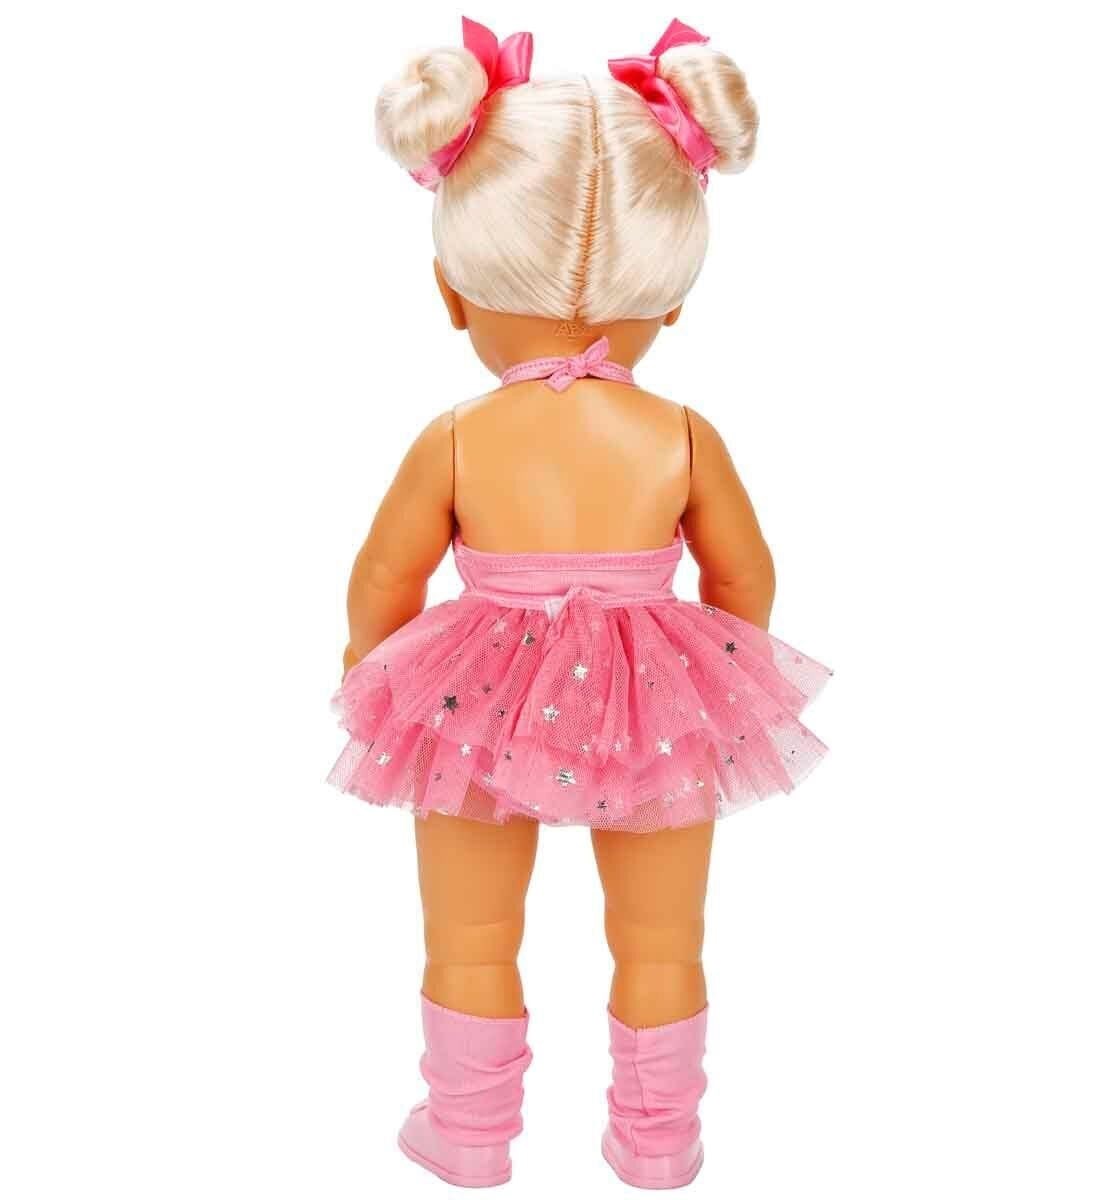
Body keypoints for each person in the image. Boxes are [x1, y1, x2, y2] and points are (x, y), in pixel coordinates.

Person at [329, 17, 830, 1189]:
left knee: (469, 931)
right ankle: (658, 1143)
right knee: (662, 936)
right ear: (673, 299)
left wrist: (372, 671)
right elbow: (744, 575)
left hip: (473, 698)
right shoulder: (681, 433)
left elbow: (386, 576)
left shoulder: (458, 434)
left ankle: (468, 1134)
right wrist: (725, 679)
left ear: (453, 292)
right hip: (659, 697)